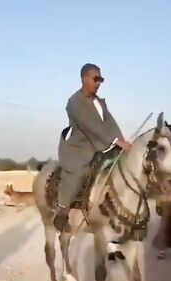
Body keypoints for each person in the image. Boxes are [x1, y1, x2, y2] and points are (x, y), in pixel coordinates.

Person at [54, 63, 131, 232]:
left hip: (103, 143)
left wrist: (123, 141)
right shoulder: (74, 102)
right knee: (77, 172)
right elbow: (90, 126)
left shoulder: (99, 102)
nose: (98, 83)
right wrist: (115, 141)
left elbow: (110, 123)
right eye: (96, 79)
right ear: (84, 78)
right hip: (80, 147)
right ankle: (62, 212)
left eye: (101, 79)